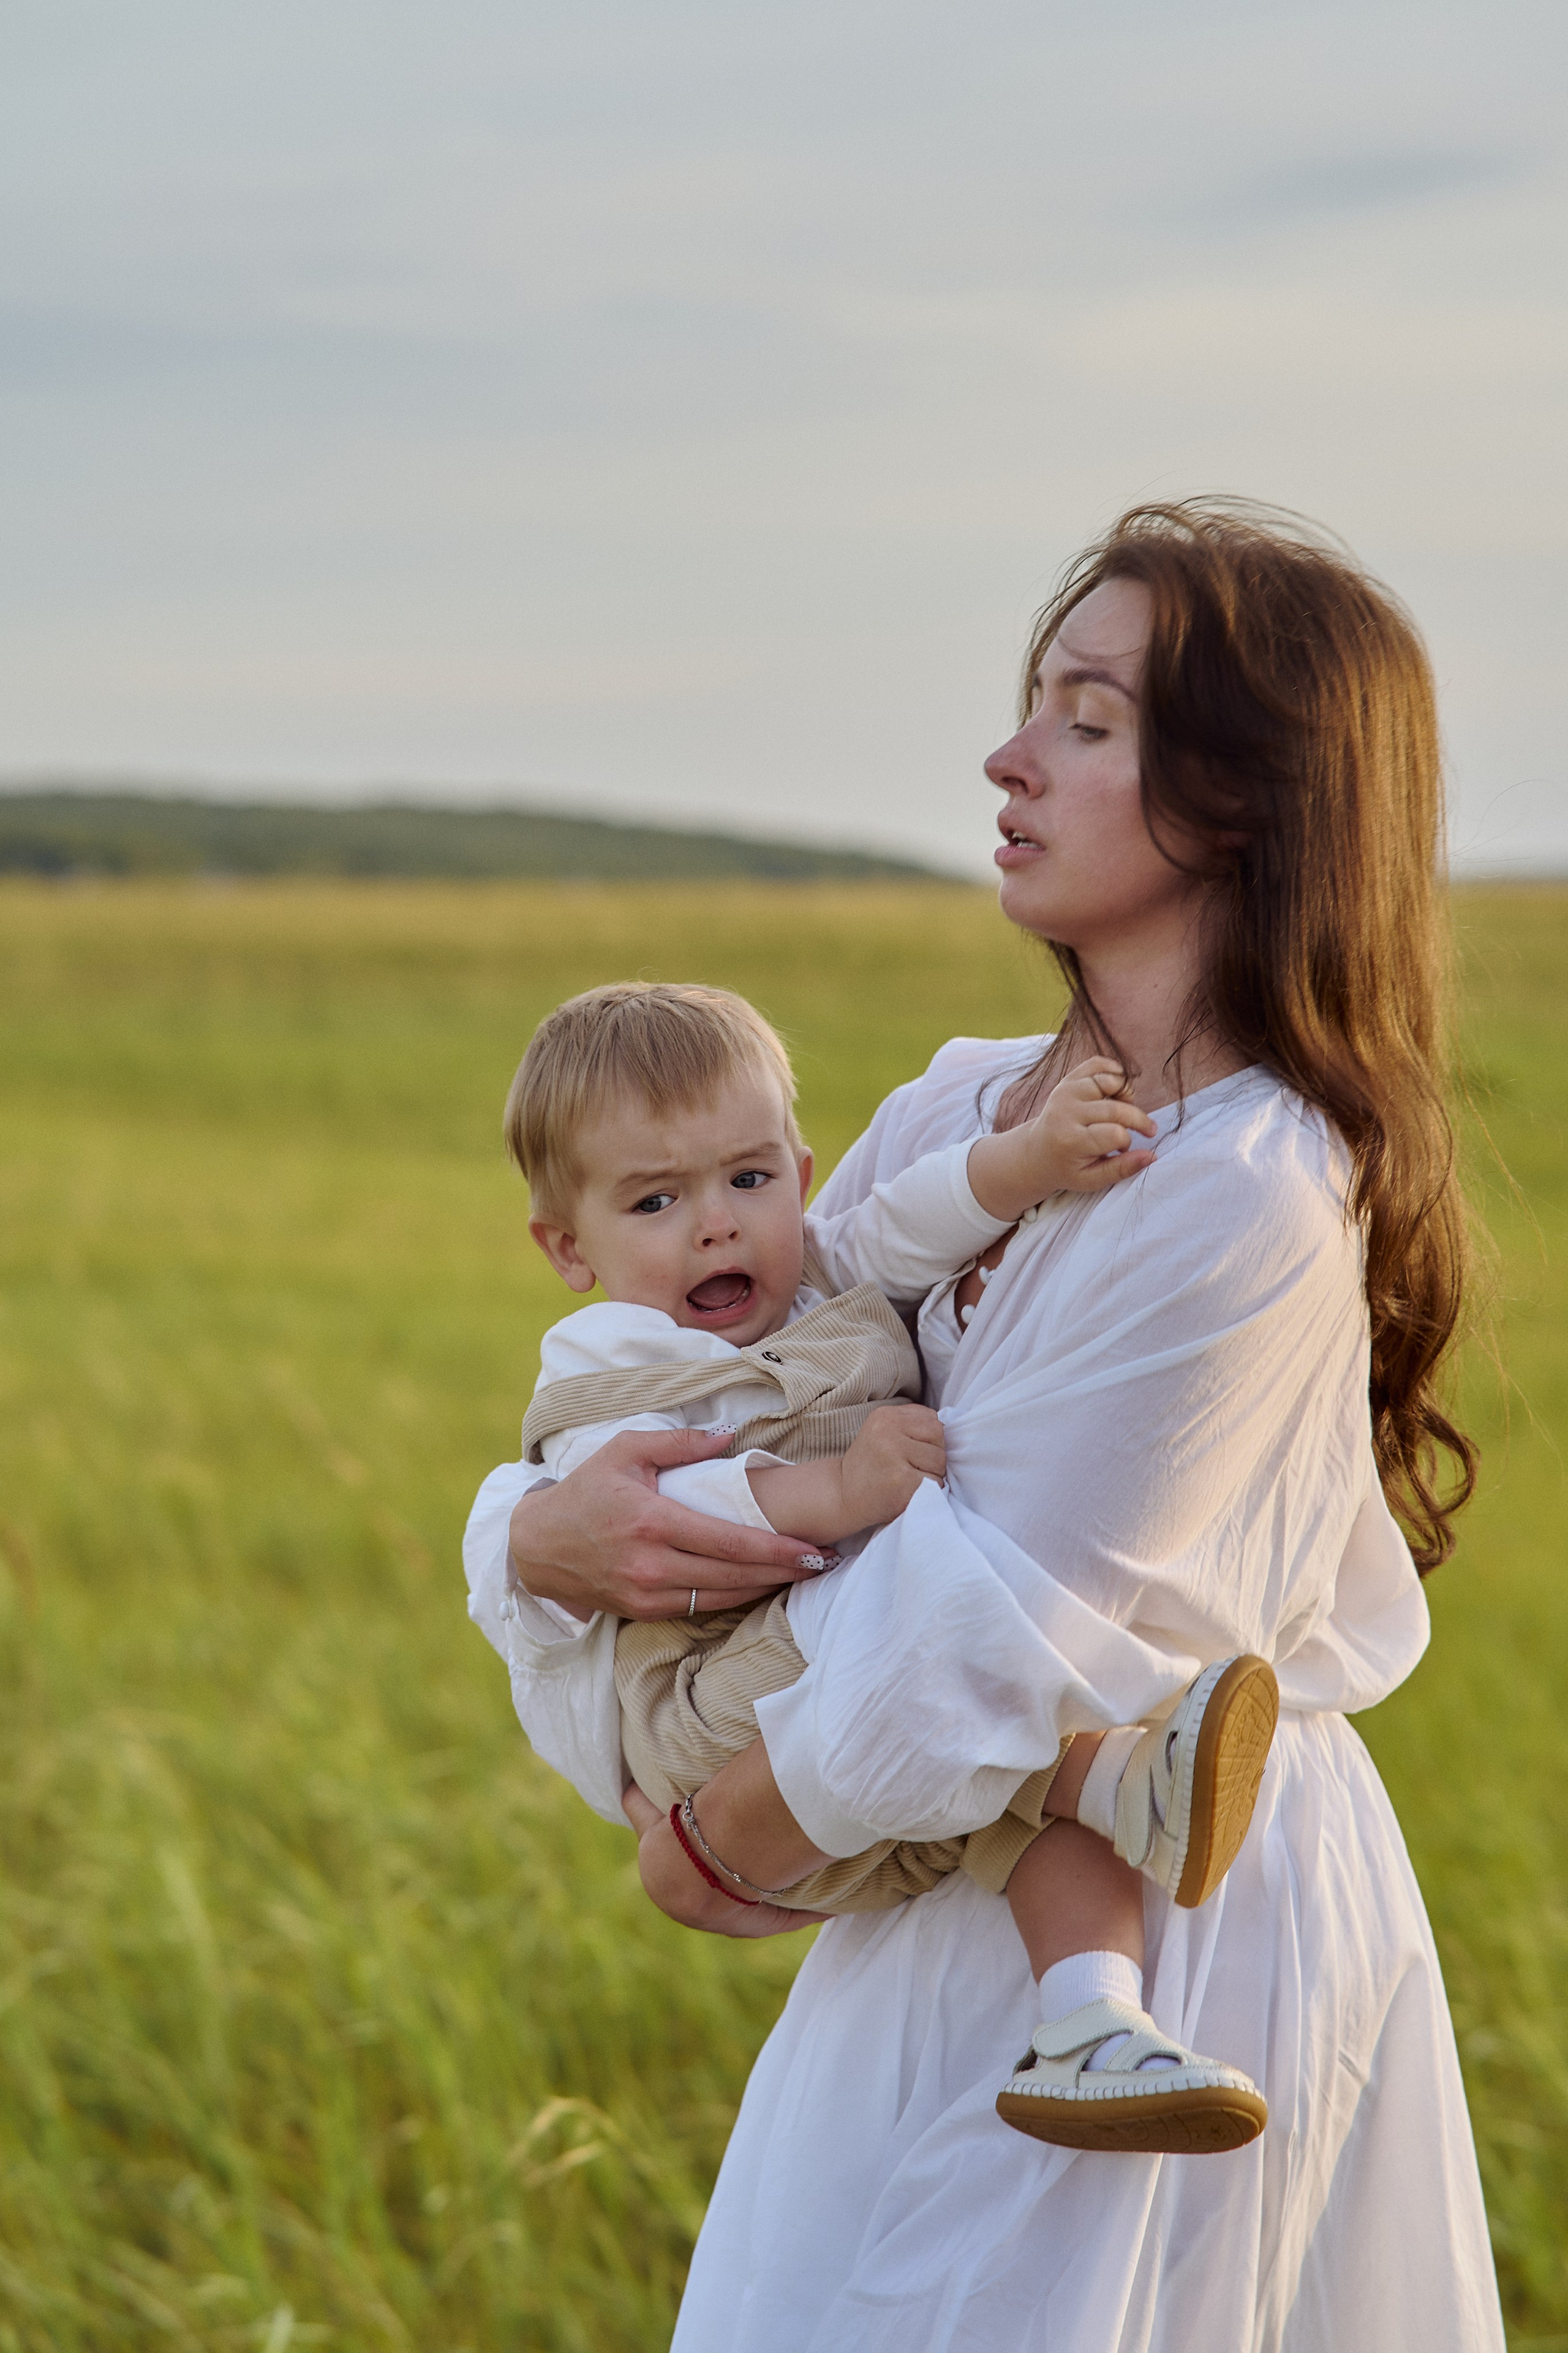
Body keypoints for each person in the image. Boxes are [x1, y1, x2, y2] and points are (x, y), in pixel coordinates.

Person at [467, 500, 1506, 2351]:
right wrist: (522, 1534)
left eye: (1089, 721)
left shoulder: (1247, 1190)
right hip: (931, 1898)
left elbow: (979, 1641)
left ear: (1250, 798)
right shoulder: (959, 1101)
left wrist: (694, 1844)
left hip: (1164, 1928)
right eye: (1037, 701)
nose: (1008, 757)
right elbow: (702, 1367)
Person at [479, 977, 1277, 2152]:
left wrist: (1035, 1157)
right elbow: (655, 1509)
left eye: (749, 1178)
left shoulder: (816, 1271)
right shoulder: (614, 1352)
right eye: (655, 1199)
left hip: (823, 1686)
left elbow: (919, 1215)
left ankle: (1094, 2023)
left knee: (1010, 1789)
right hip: (701, 1703)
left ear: (801, 1177)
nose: (717, 1223)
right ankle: (1113, 1781)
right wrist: (837, 1491)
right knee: (930, 1626)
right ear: (568, 1247)